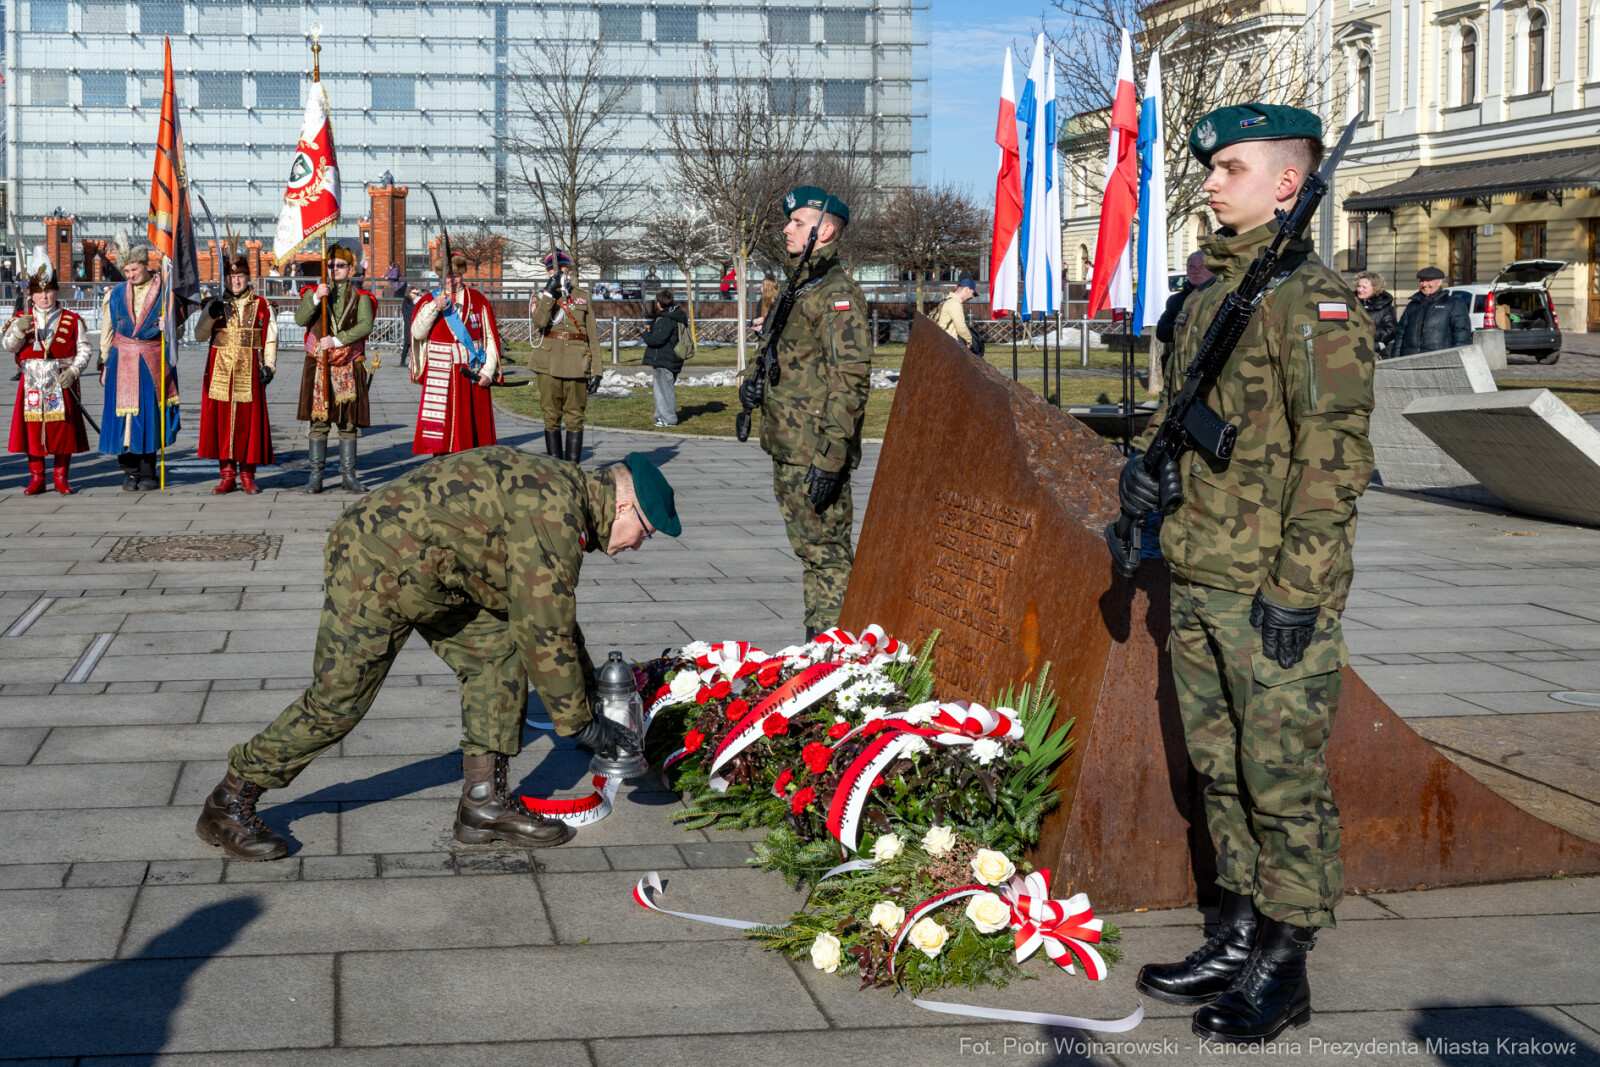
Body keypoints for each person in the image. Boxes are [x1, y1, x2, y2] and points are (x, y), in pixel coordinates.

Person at [1122, 103, 1376, 1046]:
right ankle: (1235, 926)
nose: (1210, 182)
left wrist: (1300, 590)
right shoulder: (1211, 296)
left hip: (1269, 582)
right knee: (1219, 766)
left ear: (1285, 183)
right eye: (1212, 167)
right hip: (1196, 570)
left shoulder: (1313, 301)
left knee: (1283, 776)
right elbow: (1179, 415)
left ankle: (1285, 957)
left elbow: (1337, 457)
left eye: (1229, 167)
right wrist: (1141, 481)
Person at [195, 447, 682, 860]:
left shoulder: (563, 494)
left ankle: (483, 803)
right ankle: (229, 800)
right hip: (374, 560)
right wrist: (582, 724)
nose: (639, 545)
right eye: (646, 531)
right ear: (623, 508)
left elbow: (546, 616)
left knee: (498, 657)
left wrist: (588, 693)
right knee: (337, 701)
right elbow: (545, 627)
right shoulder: (556, 514)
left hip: (435, 571)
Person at [737, 186, 870, 641]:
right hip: (789, 446)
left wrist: (831, 459)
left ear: (825, 230)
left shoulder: (837, 294)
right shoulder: (800, 285)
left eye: (797, 222)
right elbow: (778, 353)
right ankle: (817, 646)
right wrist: (751, 385)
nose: (786, 229)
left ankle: (836, 660)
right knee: (811, 553)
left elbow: (850, 380)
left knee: (828, 557)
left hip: (815, 452)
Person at [97, 236, 179, 492]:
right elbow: (107, 330)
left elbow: (179, 329)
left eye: (134, 269)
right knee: (122, 418)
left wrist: (173, 328)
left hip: (151, 360)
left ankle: (147, 473)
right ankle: (128, 472)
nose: (130, 274)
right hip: (120, 361)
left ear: (146, 264)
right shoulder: (116, 293)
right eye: (126, 271)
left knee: (148, 417)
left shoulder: (165, 290)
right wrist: (104, 362)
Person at [5, 251, 90, 494]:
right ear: (31, 295)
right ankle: (37, 478)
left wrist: (73, 371)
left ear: (56, 292)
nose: (45, 296)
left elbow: (84, 349)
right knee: (32, 431)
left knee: (62, 430)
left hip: (61, 380)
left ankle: (61, 477)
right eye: (39, 292)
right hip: (31, 381)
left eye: (49, 291)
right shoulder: (21, 318)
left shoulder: (72, 319)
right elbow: (9, 347)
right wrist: (18, 331)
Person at [195, 252, 276, 495]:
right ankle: (227, 475)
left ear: (248, 277)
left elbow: (270, 339)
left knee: (248, 425)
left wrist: (270, 366)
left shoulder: (261, 305)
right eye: (231, 277)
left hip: (249, 372)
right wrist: (210, 315)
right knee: (222, 425)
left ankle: (247, 474)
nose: (236, 281)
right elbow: (199, 336)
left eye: (240, 276)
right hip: (219, 372)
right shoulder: (214, 304)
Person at [295, 245, 374, 493]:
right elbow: (299, 320)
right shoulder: (313, 293)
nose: (335, 269)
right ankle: (316, 477)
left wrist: (337, 340)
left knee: (348, 423)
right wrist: (317, 297)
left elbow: (365, 325)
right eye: (330, 266)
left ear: (351, 269)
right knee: (318, 422)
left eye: (340, 265)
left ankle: (348, 477)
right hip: (317, 368)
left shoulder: (362, 296)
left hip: (349, 365)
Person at [407, 253, 500, 455]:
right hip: (439, 372)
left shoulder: (479, 300)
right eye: (447, 276)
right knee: (440, 429)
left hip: (471, 371)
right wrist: (435, 307)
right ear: (440, 276)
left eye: (456, 275)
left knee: (473, 428)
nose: (452, 281)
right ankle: (440, 466)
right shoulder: (428, 300)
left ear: (462, 275)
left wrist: (489, 370)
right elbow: (417, 332)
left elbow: (490, 339)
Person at [528, 250, 601, 462]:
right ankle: (555, 468)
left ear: (568, 269)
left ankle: (572, 468)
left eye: (561, 267)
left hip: (576, 363)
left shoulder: (582, 296)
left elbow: (592, 338)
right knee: (551, 417)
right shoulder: (540, 297)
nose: (557, 271)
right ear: (547, 271)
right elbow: (540, 322)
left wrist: (597, 370)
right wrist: (550, 294)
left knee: (575, 417)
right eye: (552, 268)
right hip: (548, 363)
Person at [1395, 266, 1469, 356]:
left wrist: (1456, 359)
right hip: (1410, 360)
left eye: (1428, 280)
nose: (1424, 284)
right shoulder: (1412, 305)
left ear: (1440, 282)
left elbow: (1461, 336)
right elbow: (1400, 334)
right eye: (1422, 280)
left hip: (1439, 360)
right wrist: (1395, 357)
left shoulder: (1454, 304)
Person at [642, 289, 690, 427]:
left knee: (664, 390)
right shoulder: (676, 315)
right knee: (662, 390)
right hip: (673, 357)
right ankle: (661, 415)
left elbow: (656, 340)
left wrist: (646, 334)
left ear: (658, 303)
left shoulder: (666, 319)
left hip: (665, 359)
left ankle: (668, 418)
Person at [930, 273, 979, 352]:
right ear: (966, 289)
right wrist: (970, 340)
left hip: (941, 344)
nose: (972, 297)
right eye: (972, 293)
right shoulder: (955, 303)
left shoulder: (947, 300)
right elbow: (961, 327)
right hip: (947, 346)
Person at [1353, 271, 1397, 358]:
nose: (1359, 289)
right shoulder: (1350, 302)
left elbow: (1391, 331)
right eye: (1358, 286)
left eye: (1364, 287)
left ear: (1375, 288)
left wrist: (1369, 333)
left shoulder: (1386, 307)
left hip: (1375, 353)